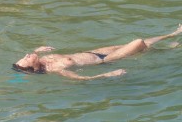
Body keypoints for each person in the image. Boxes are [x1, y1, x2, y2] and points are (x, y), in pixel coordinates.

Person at [13, 24, 182, 80]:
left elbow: (23, 68)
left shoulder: (42, 57)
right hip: (106, 59)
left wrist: (38, 49)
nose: (26, 55)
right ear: (33, 68)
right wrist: (107, 75)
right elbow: (82, 79)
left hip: (95, 51)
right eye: (26, 59)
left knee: (141, 44)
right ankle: (172, 46)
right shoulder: (56, 70)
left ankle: (172, 35)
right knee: (139, 42)